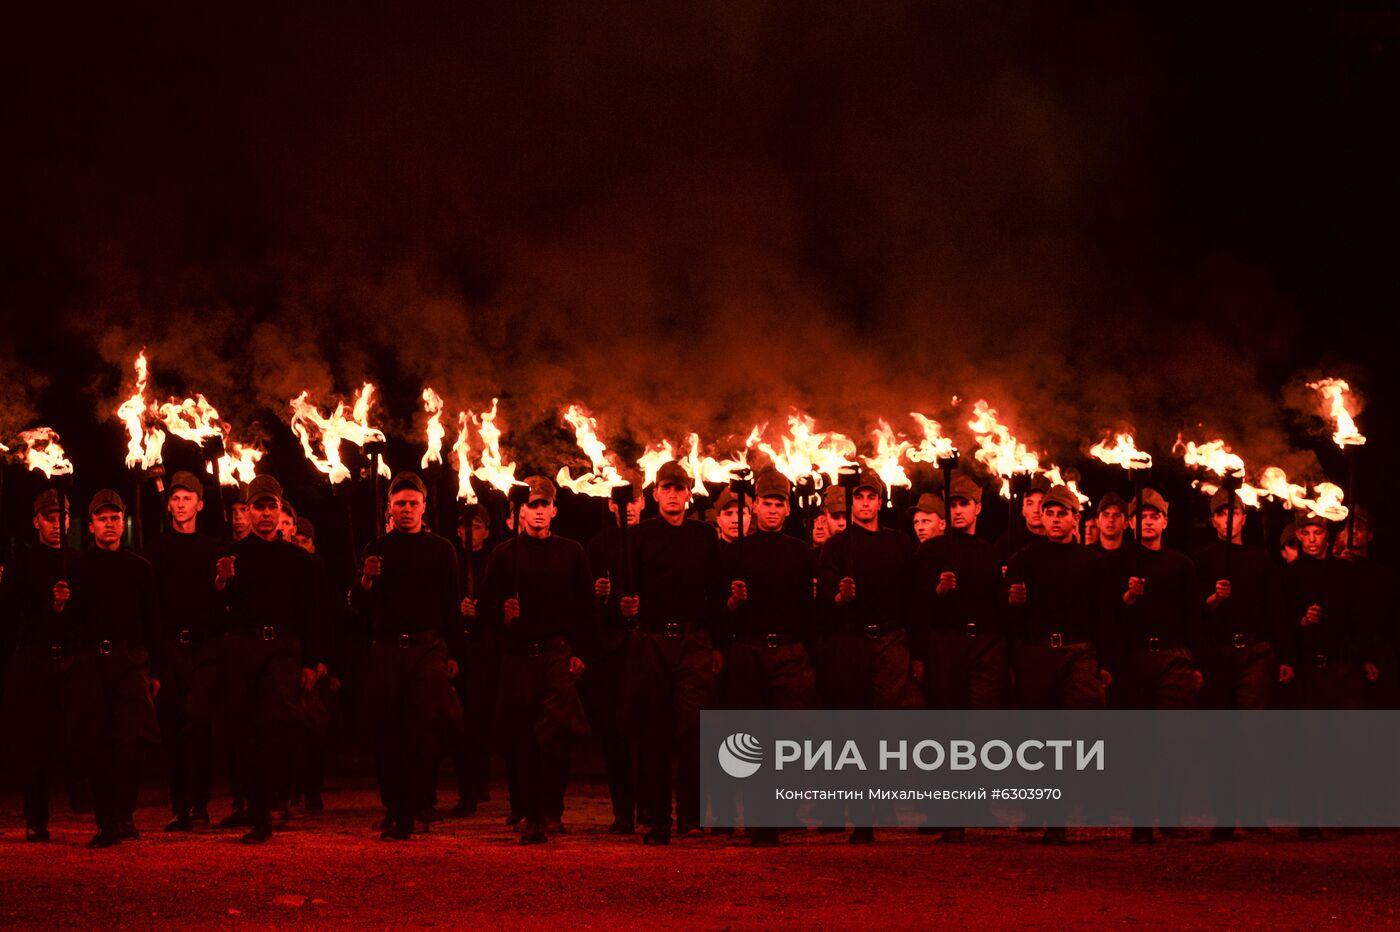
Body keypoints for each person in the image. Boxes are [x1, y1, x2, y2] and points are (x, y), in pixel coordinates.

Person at [216, 475, 329, 844]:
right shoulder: (231, 557)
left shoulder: (300, 560)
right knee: (247, 731)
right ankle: (258, 811)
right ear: (247, 511)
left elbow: (314, 613)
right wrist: (222, 583)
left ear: (281, 511)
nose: (265, 514)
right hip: (244, 651)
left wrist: (313, 661)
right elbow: (216, 612)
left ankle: (274, 802)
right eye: (258, 507)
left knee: (276, 727)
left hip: (282, 652)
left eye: (271, 507)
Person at [479, 476, 591, 844]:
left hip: (557, 653)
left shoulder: (572, 552)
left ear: (554, 510)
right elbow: (486, 614)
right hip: (518, 656)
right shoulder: (503, 554)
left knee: (555, 735)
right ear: (520, 512)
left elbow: (584, 608)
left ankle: (550, 810)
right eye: (532, 505)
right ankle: (529, 812)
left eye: (545, 505)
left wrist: (580, 651)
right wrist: (503, 615)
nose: (539, 511)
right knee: (522, 736)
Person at [353, 472, 463, 841]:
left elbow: (452, 604)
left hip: (428, 649)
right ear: (390, 507)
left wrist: (452, 653)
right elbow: (361, 612)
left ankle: (417, 807)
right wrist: (366, 582)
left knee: (423, 731)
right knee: (389, 731)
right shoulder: (376, 548)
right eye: (400, 503)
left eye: (413, 503)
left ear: (424, 507)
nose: (406, 509)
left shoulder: (442, 549)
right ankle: (395, 808)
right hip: (387, 650)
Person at [815, 470, 921, 843]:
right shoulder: (836, 548)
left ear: (880, 501)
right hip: (849, 644)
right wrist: (840, 598)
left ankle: (886, 799)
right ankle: (861, 819)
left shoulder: (899, 544)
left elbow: (913, 600)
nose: (864, 503)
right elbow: (821, 606)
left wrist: (916, 651)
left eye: (870, 497)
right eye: (858, 497)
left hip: (890, 639)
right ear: (851, 502)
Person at [620, 460, 722, 845]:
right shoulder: (639, 536)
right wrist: (625, 607)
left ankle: (691, 816)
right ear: (656, 493)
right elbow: (625, 591)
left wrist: (716, 642)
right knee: (654, 730)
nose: (674, 494)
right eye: (667, 488)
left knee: (694, 729)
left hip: (693, 642)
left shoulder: (704, 536)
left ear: (689, 493)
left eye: (680, 488)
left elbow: (714, 591)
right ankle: (656, 818)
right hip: (651, 640)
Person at [54, 490, 161, 848]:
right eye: (102, 518)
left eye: (115, 518)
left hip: (131, 663)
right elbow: (68, 625)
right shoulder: (77, 569)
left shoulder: (140, 568)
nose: (110, 524)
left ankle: (124, 813)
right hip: (92, 665)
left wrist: (154, 672)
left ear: (123, 521)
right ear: (92, 525)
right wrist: (60, 605)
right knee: (98, 742)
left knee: (132, 742)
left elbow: (152, 623)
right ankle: (106, 822)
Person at [1005, 485, 1112, 844]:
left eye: (1061, 514)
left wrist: (1104, 661)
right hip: (1037, 654)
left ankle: (1086, 798)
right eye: (1049, 513)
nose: (1053, 519)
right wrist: (1013, 602)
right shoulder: (1025, 558)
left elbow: (1103, 615)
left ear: (1075, 519)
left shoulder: (1092, 562)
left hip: (1079, 652)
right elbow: (1009, 615)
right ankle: (1050, 814)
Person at [722, 468, 821, 846]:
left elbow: (810, 609)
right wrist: (733, 600)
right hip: (748, 650)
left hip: (791, 652)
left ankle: (783, 810)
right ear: (755, 505)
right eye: (767, 502)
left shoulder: (800, 551)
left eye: (780, 503)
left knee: (790, 739)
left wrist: (811, 654)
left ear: (788, 508)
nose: (774, 509)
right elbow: (719, 609)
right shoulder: (735, 552)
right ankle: (759, 819)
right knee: (752, 738)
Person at [910, 474, 1004, 843]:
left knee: (980, 728)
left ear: (978, 507)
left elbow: (996, 605)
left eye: (965, 504)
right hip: (945, 644)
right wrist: (938, 591)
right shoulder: (931, 551)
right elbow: (916, 605)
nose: (958, 510)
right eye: (953, 505)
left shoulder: (989, 550)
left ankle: (977, 803)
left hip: (983, 644)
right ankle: (945, 810)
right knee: (946, 729)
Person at [1108, 489, 1202, 843]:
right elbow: (1107, 617)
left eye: (1153, 516)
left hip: (1175, 658)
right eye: (1140, 516)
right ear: (1130, 523)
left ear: (1165, 521)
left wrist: (1197, 663)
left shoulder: (1182, 564)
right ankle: (1142, 820)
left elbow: (1193, 618)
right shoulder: (1118, 563)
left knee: (1174, 740)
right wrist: (1128, 597)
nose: (1147, 521)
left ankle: (1171, 815)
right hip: (1134, 660)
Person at [1192, 489, 1280, 839]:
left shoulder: (1261, 560)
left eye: (1235, 512)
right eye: (1220, 513)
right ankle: (1225, 816)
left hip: (1255, 653)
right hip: (1216, 655)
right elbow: (1192, 615)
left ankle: (1254, 813)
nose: (1228, 519)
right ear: (1213, 519)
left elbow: (1275, 609)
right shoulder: (1199, 561)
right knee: (1220, 737)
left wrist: (1283, 655)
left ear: (1245, 517)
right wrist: (1213, 599)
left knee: (1252, 734)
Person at [142, 471, 222, 832]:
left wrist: (222, 581)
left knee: (201, 725)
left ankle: (200, 805)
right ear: (169, 504)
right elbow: (151, 606)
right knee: (173, 729)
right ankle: (179, 807)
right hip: (170, 648)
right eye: (175, 498)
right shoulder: (155, 551)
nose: (180, 504)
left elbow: (222, 603)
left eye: (187, 498)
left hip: (204, 649)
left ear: (200, 504)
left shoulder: (213, 549)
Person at [0, 491, 80, 842]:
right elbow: (11, 614)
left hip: (72, 660)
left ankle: (91, 807)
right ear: (37, 522)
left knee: (81, 735)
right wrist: (50, 607)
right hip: (34, 658)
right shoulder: (22, 563)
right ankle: (36, 817)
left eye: (61, 517)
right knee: (35, 742)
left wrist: (66, 610)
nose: (56, 524)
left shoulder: (78, 561)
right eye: (49, 517)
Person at [583, 480, 645, 834]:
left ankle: (650, 809)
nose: (630, 507)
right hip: (611, 650)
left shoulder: (651, 539)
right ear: (610, 506)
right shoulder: (597, 545)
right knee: (615, 732)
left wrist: (639, 607)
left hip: (646, 645)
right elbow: (583, 605)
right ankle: (623, 811)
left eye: (636, 500)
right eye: (624, 502)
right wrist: (600, 596)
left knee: (648, 731)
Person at [448, 503, 496, 817]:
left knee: (482, 720)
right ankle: (466, 788)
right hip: (458, 652)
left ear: (487, 532)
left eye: (476, 525)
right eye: (466, 525)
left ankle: (479, 782)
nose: (470, 531)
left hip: (487, 652)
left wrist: (482, 612)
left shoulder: (496, 562)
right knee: (458, 722)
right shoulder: (450, 561)